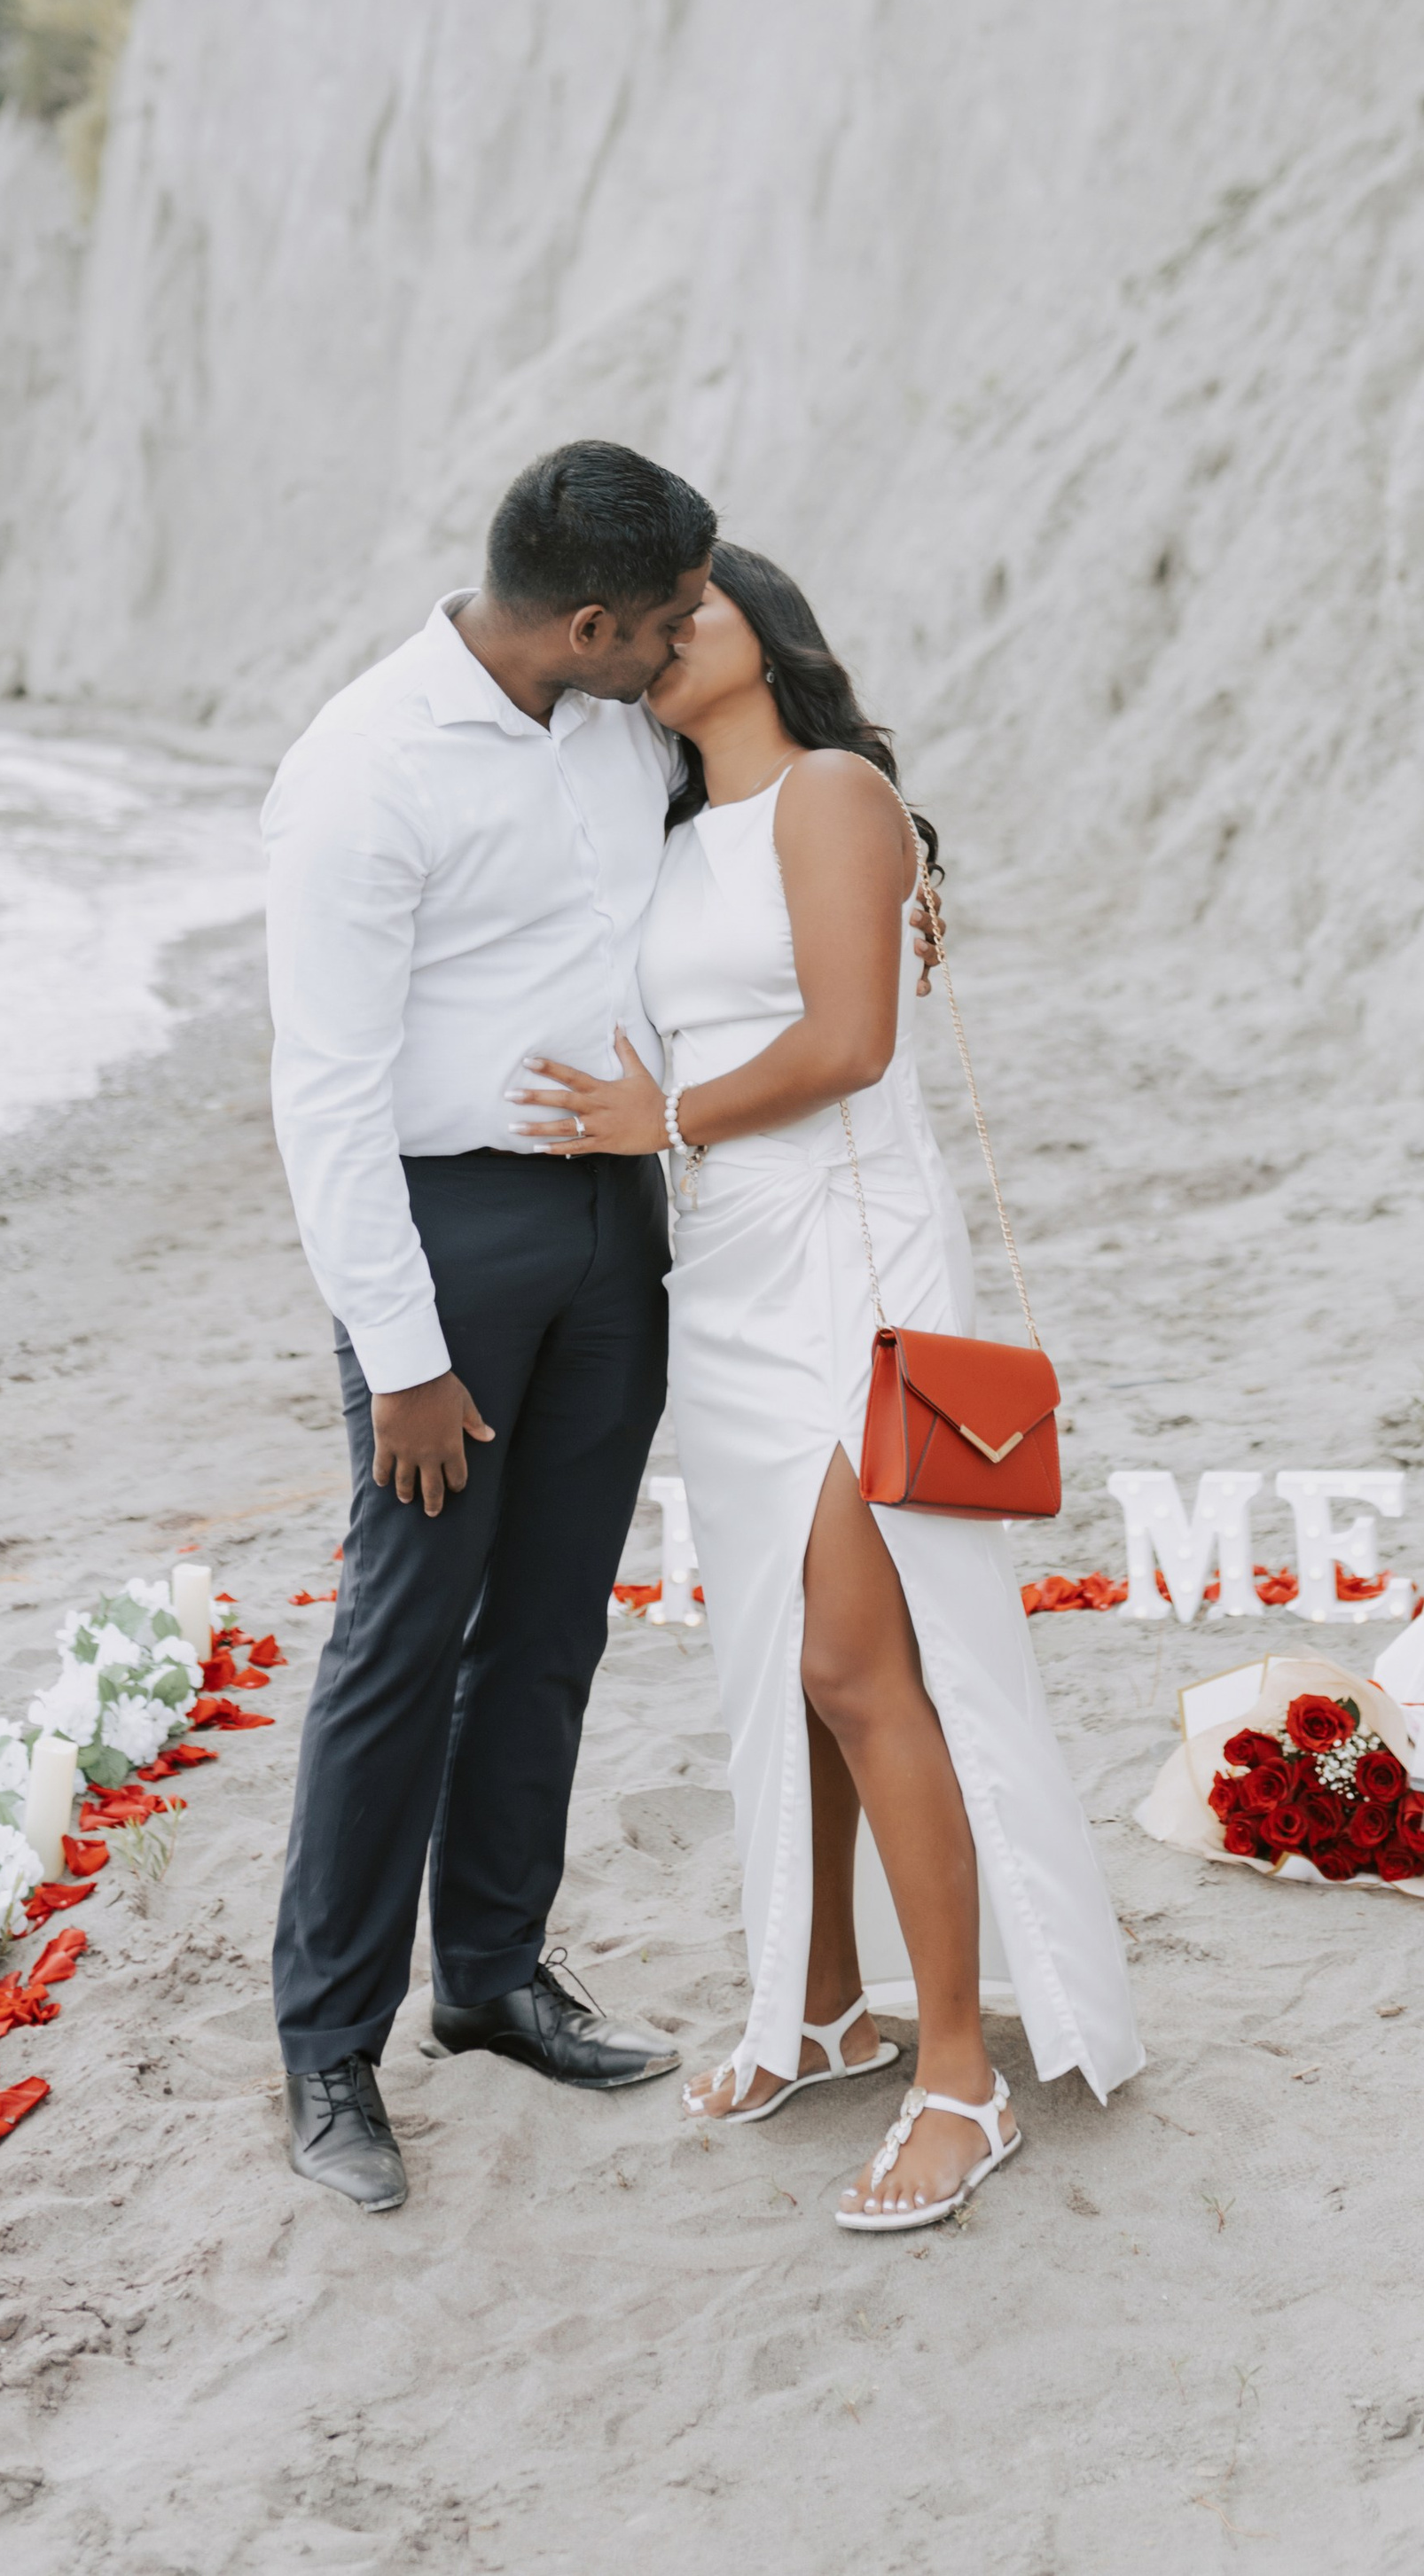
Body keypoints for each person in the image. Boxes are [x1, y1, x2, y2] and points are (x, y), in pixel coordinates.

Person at [516, 543, 1143, 2231]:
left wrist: (662, 1120)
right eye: (650, 619)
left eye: (695, 607)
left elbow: (852, 1042)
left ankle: (960, 2077)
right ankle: (821, 2009)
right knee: (782, 1665)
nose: (666, 634)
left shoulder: (835, 794)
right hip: (726, 1272)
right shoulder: (674, 836)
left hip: (854, 1258)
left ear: (766, 630)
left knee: (869, 1666)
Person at [259, 440, 717, 2213]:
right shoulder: (362, 767)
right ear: (588, 621)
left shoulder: (616, 726)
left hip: (614, 1222)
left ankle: (493, 1976)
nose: (683, 643)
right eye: (666, 619)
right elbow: (324, 1091)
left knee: (547, 1627)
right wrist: (401, 1356)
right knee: (400, 1639)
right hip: (445, 1242)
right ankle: (328, 2047)